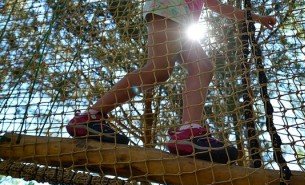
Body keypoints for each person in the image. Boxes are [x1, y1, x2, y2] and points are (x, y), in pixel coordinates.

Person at [66, 0, 276, 163]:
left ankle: (189, 131)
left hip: (181, 19)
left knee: (201, 67)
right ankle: (91, 116)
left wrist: (256, 18)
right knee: (159, 69)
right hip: (169, 8)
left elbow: (219, 6)